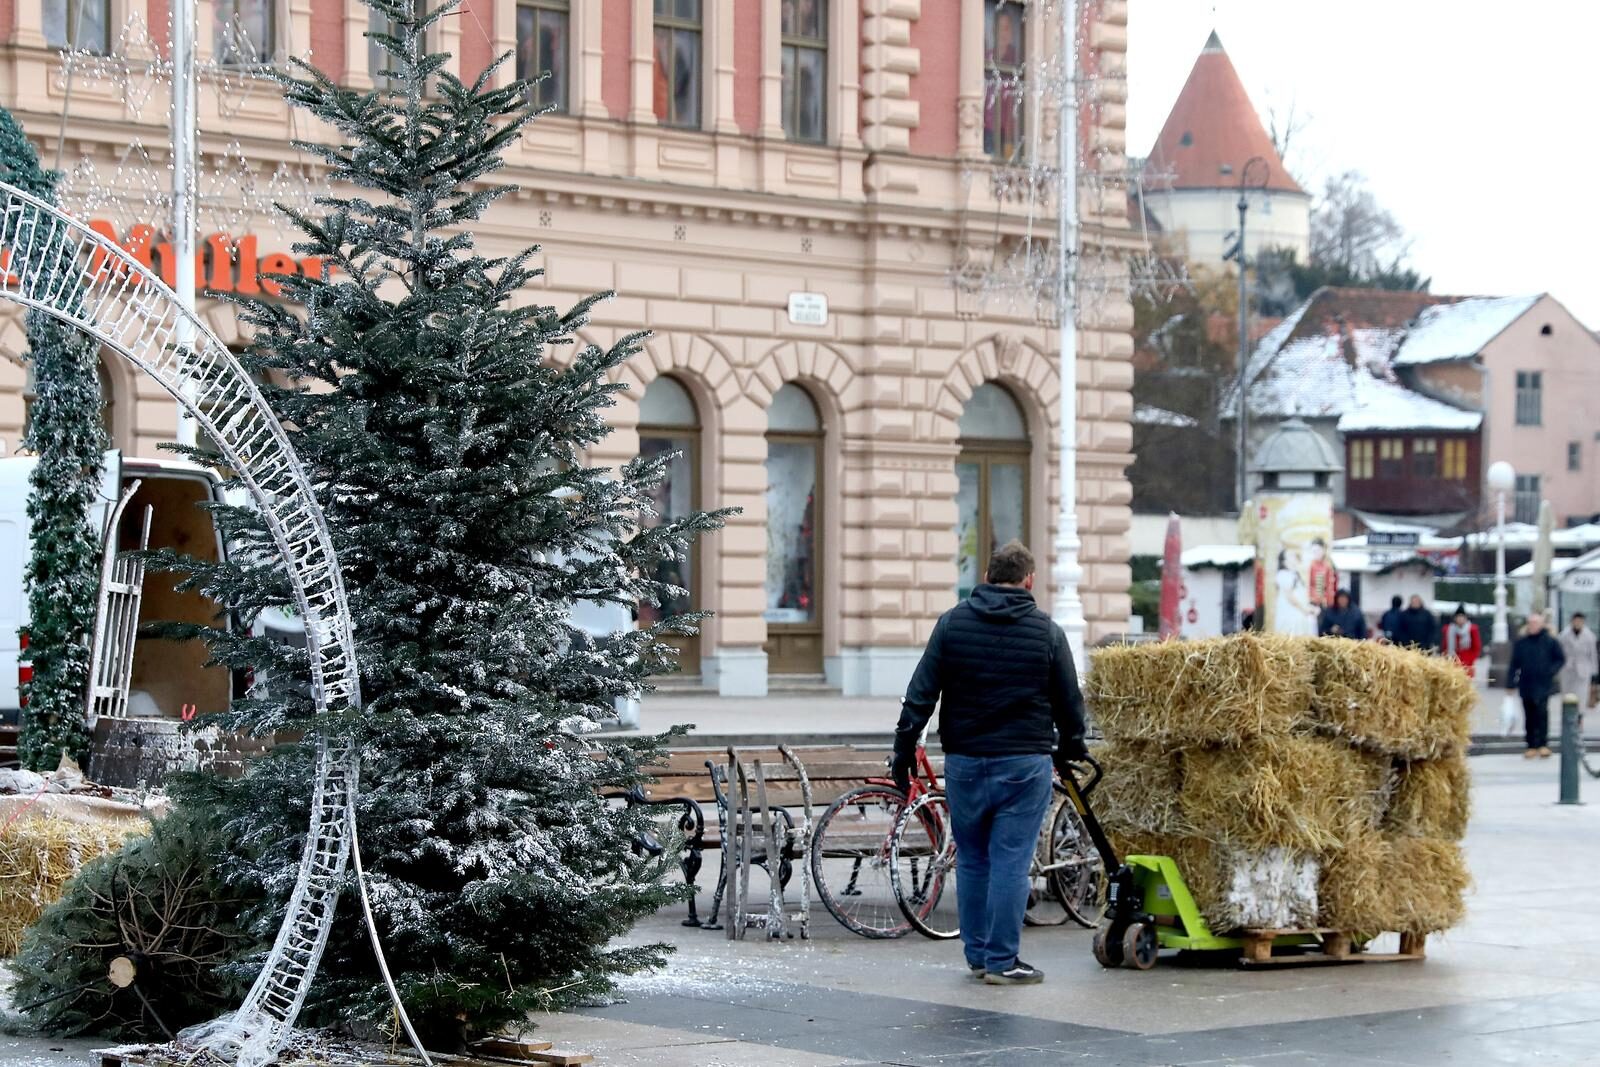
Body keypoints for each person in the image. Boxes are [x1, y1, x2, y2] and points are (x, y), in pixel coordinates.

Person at [892, 540, 1087, 986]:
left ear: (985, 578)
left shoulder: (952, 625)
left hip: (964, 762)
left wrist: (903, 753)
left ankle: (978, 955)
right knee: (1011, 862)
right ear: (1029, 580)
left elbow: (919, 694)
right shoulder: (1047, 632)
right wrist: (1072, 744)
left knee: (975, 860)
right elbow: (1069, 702)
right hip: (1023, 764)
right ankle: (1003, 961)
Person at [1508, 611, 1565, 759]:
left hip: (1543, 683)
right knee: (1529, 714)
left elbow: (1560, 659)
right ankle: (1531, 745)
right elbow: (1514, 664)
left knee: (1542, 713)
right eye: (1531, 623)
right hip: (1526, 683)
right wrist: (1510, 683)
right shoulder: (1521, 643)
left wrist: (1550, 671)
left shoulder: (1550, 641)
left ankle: (1543, 744)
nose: (1533, 626)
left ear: (1541, 624)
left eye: (1536, 623)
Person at [1558, 612, 1598, 718]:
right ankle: (1567, 718)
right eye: (1575, 621)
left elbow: (1593, 655)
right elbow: (1559, 653)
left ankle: (1579, 719)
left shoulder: (1589, 636)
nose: (1577, 623)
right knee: (1567, 696)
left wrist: (1594, 673)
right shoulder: (1563, 635)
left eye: (1580, 621)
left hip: (1583, 669)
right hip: (1567, 668)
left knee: (1581, 697)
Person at [1273, 548, 1318, 636]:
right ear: (1284, 561)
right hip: (1290, 613)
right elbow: (1290, 596)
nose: (1294, 557)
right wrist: (1304, 609)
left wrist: (1309, 607)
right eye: (1290, 555)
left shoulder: (1294, 574)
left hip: (1298, 611)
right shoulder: (1283, 574)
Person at [1442, 605, 1482, 678]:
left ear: (1465, 618)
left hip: (1467, 661)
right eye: (1458, 617)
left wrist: (1471, 659)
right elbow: (1445, 646)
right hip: (1453, 660)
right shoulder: (1449, 630)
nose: (1460, 619)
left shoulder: (1472, 630)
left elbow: (1477, 646)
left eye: (1462, 617)